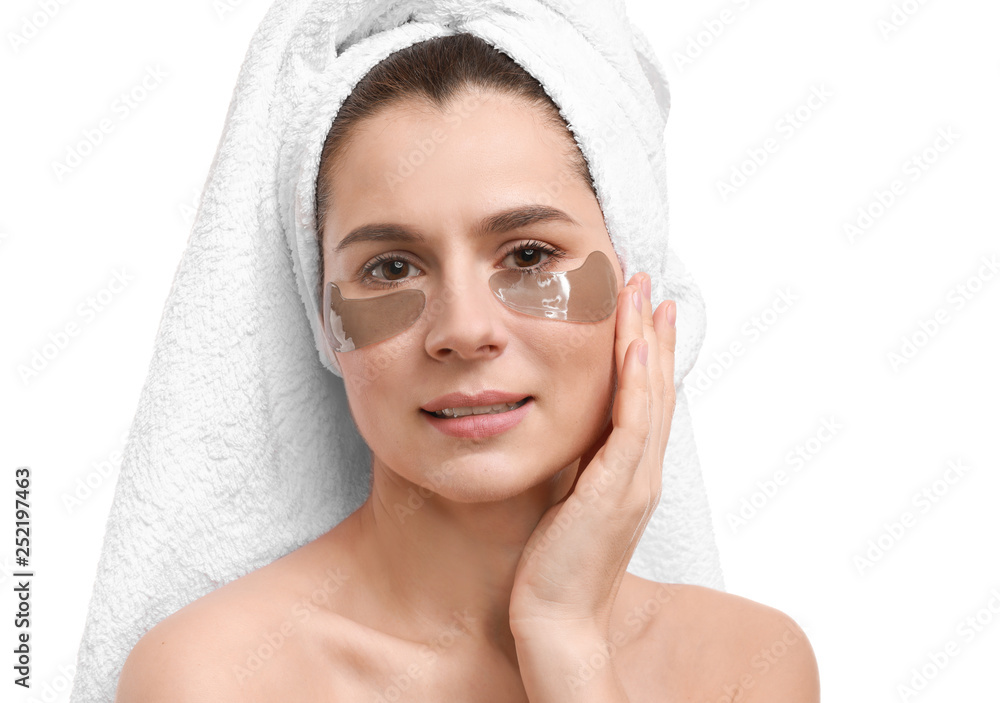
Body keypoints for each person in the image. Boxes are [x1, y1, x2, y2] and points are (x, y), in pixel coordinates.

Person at [114, 32, 818, 702]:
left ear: (635, 284)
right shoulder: (215, 676)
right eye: (391, 268)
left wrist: (564, 636)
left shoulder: (741, 665)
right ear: (321, 321)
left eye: (530, 255)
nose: (464, 329)